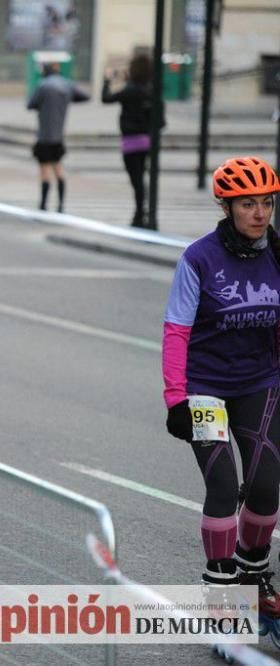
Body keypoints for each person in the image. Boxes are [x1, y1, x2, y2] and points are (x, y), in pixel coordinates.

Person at [162, 156, 280, 630]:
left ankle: (254, 573)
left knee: (269, 485)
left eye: (267, 203)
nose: (260, 213)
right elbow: (176, 331)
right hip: (205, 387)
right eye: (248, 204)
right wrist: (177, 399)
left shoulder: (278, 252)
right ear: (226, 206)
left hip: (259, 381)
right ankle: (220, 587)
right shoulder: (199, 258)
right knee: (225, 487)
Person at [102, 53, 160, 228]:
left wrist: (107, 81)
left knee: (136, 180)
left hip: (131, 141)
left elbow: (106, 99)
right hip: (147, 141)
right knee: (142, 176)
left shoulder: (129, 91)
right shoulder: (150, 91)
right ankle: (144, 211)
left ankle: (138, 214)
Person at [27, 62, 89, 212]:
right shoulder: (67, 85)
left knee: (44, 171)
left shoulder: (43, 85)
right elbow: (84, 96)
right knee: (58, 168)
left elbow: (31, 104)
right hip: (58, 136)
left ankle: (43, 204)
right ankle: (61, 204)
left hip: (44, 135)